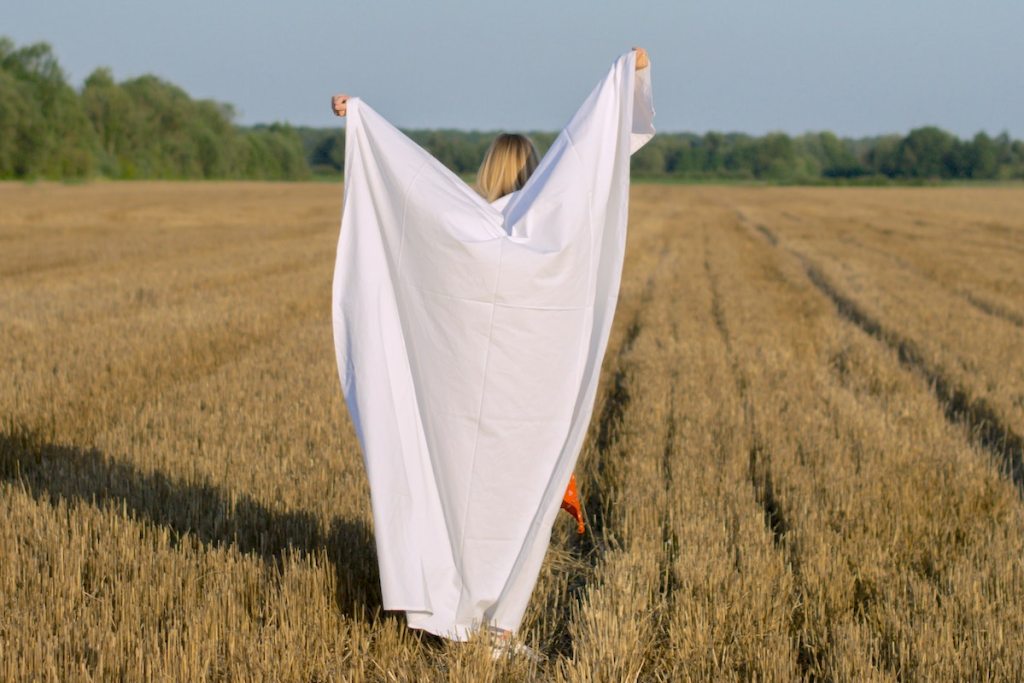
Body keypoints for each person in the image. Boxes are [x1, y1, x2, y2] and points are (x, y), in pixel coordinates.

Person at [329, 47, 653, 659]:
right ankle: (499, 624)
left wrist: (360, 121)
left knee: (454, 488)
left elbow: (407, 186)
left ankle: (447, 605)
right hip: (527, 403)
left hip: (454, 402)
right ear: (537, 169)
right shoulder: (552, 225)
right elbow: (596, 163)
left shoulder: (461, 225)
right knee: (514, 496)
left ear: (487, 170)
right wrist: (627, 79)